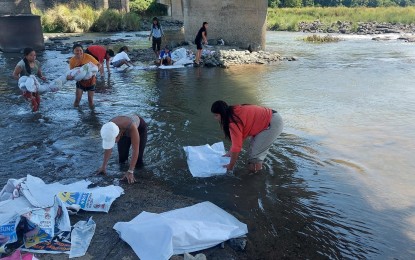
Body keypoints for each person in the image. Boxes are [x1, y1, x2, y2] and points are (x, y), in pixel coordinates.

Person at [211, 100, 283, 173]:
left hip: (272, 123)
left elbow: (237, 147)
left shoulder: (233, 122)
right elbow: (238, 139)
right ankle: (253, 176)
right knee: (252, 151)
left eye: (216, 115)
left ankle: (256, 178)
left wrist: (230, 166)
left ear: (223, 113)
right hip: (269, 119)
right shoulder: (233, 111)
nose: (215, 118)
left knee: (254, 158)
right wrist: (230, 152)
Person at [98, 115, 148, 184]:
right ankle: (124, 171)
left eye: (114, 141)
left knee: (138, 159)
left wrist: (130, 171)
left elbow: (135, 150)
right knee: (122, 159)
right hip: (122, 129)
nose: (114, 143)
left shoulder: (131, 127)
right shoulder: (109, 128)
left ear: (118, 135)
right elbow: (108, 148)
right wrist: (103, 166)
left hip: (139, 129)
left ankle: (140, 176)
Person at [12, 47, 46, 112]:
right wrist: (23, 81)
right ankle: (32, 119)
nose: (33, 57)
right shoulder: (21, 64)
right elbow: (14, 75)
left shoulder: (37, 63)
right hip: (26, 87)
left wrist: (42, 77)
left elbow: (39, 74)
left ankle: (38, 117)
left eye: (35, 55)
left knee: (38, 101)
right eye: (31, 55)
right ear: (26, 55)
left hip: (34, 84)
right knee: (34, 104)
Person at [67, 43, 100, 108]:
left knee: (90, 100)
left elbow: (99, 65)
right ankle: (76, 115)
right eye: (77, 50)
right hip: (80, 82)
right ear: (73, 51)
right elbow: (72, 72)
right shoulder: (72, 61)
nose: (79, 52)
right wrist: (70, 77)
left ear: (83, 51)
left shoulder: (88, 57)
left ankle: (93, 114)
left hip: (91, 81)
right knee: (77, 100)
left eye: (80, 50)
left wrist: (94, 72)